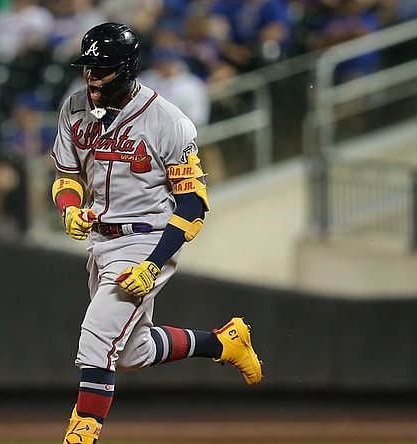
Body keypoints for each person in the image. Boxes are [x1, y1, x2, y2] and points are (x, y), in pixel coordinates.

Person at [50, 22, 262, 444]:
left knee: (98, 337)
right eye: (89, 67)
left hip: (146, 239)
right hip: (102, 241)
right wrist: (70, 208)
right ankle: (223, 343)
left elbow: (193, 205)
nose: (92, 77)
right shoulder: (73, 108)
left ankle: (83, 433)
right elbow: (66, 175)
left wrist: (152, 263)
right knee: (131, 353)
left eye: (103, 68)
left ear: (127, 68)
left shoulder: (168, 121)